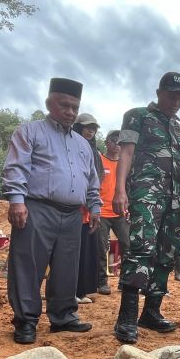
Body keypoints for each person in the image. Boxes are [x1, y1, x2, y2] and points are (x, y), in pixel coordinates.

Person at [2, 78, 101, 344]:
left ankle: (63, 316)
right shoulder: (30, 131)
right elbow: (16, 167)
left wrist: (95, 206)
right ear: (49, 103)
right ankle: (26, 321)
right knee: (28, 265)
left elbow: (91, 179)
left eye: (74, 107)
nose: (70, 112)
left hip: (72, 214)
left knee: (67, 267)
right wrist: (16, 200)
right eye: (64, 105)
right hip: (36, 207)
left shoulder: (83, 144)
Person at [112, 72, 180, 343]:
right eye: (172, 95)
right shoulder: (137, 116)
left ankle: (152, 312)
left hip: (174, 200)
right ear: (159, 92)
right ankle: (127, 317)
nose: (176, 101)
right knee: (140, 250)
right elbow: (126, 153)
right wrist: (120, 190)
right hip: (146, 195)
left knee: (167, 253)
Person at [71, 113, 104, 303]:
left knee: (85, 252)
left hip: (89, 209)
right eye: (87, 127)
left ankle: (80, 291)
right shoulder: (72, 147)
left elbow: (96, 178)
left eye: (94, 128)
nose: (91, 131)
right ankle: (69, 291)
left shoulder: (94, 151)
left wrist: (94, 204)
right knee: (72, 252)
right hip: (73, 208)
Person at [96, 129, 130, 295]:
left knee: (127, 244)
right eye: (113, 141)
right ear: (107, 143)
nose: (117, 145)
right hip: (101, 212)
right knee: (101, 247)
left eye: (119, 142)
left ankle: (124, 281)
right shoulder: (99, 160)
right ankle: (102, 282)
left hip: (120, 213)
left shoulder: (125, 164)